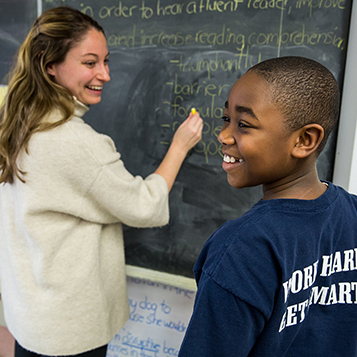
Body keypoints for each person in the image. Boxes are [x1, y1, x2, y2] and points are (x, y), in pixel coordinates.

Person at [0, 6, 203, 357]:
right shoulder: (73, 141)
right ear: (50, 66)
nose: (105, 74)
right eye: (90, 62)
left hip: (31, 315)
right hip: (68, 330)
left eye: (106, 61)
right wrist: (180, 145)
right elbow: (143, 205)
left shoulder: (15, 123)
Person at [178, 56, 357, 356]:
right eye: (226, 119)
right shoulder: (352, 213)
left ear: (304, 139)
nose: (223, 135)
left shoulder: (241, 249)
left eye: (244, 125)